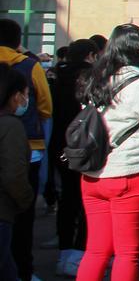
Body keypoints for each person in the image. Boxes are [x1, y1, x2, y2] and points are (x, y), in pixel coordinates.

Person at [76, 24, 139, 281]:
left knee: (96, 251)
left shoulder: (96, 79)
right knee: (128, 253)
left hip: (92, 174)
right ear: (137, 49)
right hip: (130, 174)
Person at [0, 19, 51, 281]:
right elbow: (45, 107)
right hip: (29, 148)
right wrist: (26, 198)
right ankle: (25, 271)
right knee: (21, 227)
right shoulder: (30, 65)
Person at [48, 39, 96, 277]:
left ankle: (64, 250)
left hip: (60, 145)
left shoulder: (56, 75)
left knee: (67, 198)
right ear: (90, 55)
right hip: (85, 145)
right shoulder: (91, 76)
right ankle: (79, 251)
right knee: (86, 199)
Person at [1, 64, 35, 281]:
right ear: (15, 96)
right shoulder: (11, 126)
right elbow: (14, 173)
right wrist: (25, 199)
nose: (26, 100)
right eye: (26, 94)